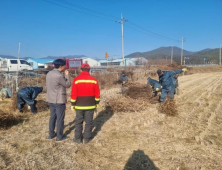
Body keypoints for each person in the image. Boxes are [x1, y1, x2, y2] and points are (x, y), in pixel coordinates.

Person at [71, 63, 100, 144]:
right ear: (89, 70)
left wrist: (73, 104)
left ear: (81, 70)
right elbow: (97, 93)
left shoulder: (76, 80)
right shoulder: (94, 80)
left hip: (79, 105)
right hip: (90, 105)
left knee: (78, 122)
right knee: (89, 122)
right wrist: (96, 103)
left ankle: (77, 139)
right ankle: (86, 139)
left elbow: (74, 93)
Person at [46, 59, 71, 141]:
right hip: (59, 100)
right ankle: (59, 136)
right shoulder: (59, 75)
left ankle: (51, 134)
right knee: (60, 119)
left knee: (52, 117)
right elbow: (67, 85)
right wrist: (67, 76)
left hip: (50, 98)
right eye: (65, 65)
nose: (65, 67)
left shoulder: (49, 73)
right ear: (61, 66)